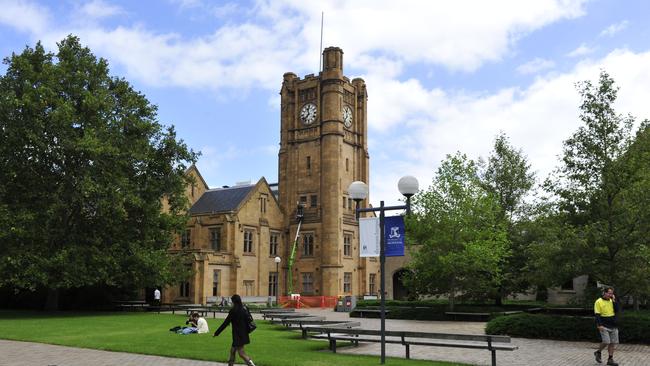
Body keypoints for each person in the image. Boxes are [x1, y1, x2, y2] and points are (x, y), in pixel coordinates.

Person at [213, 294, 256, 366]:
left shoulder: (233, 311)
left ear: (234, 301)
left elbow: (225, 323)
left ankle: (251, 364)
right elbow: (249, 320)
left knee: (241, 353)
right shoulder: (245, 308)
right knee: (232, 351)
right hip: (244, 333)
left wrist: (216, 333)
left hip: (237, 335)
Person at [594, 287, 619, 366]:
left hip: (613, 325)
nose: (610, 295)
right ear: (604, 293)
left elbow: (617, 310)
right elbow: (597, 314)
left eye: (611, 293)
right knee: (606, 341)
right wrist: (599, 325)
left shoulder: (612, 301)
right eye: (609, 293)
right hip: (603, 325)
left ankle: (610, 359)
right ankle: (598, 352)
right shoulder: (598, 301)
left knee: (612, 343)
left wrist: (614, 301)